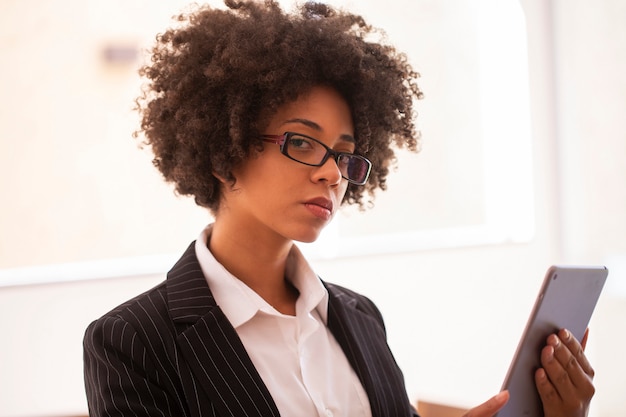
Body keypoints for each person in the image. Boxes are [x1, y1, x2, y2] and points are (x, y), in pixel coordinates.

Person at [82, 1, 596, 416]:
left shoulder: (359, 316)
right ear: (224, 154)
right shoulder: (131, 341)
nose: (332, 173)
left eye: (345, 155)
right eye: (303, 143)